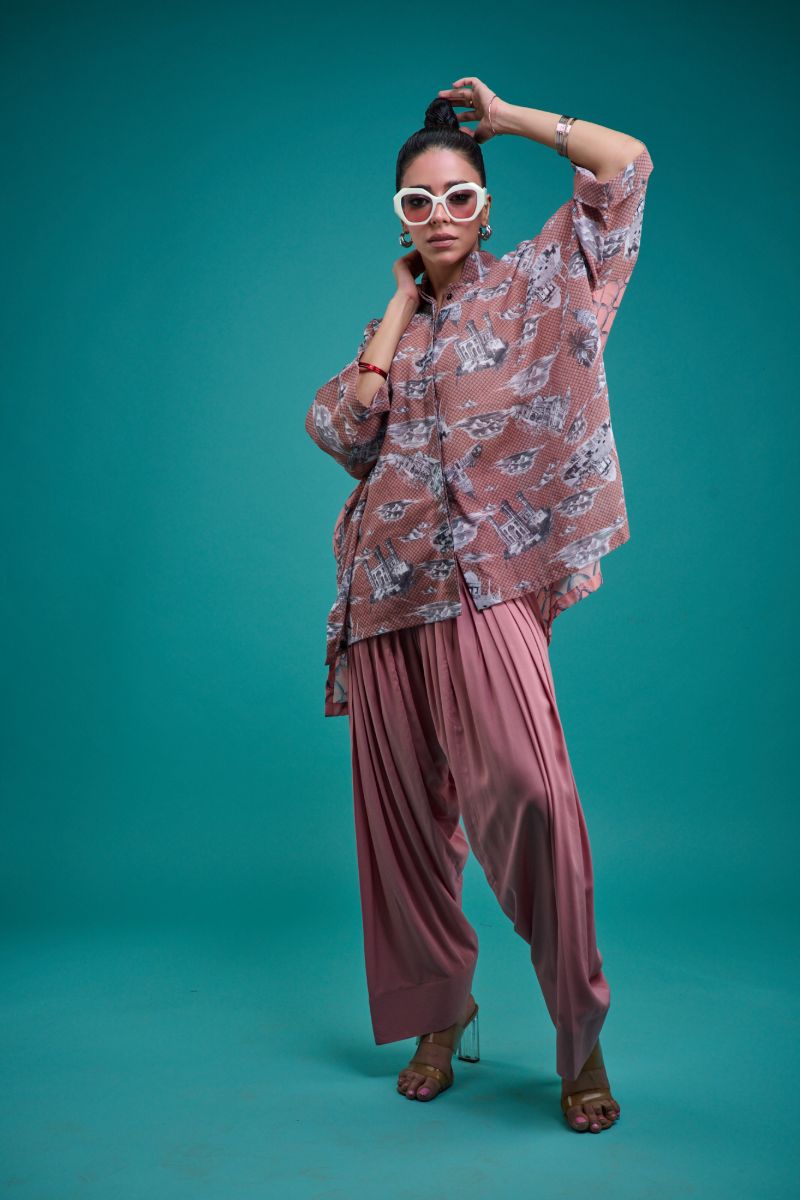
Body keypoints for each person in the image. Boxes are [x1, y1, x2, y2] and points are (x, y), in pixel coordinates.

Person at [305, 75, 654, 1134]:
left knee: (534, 800)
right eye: (418, 202)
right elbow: (342, 430)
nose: (442, 215)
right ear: (400, 219)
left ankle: (579, 1039)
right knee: (405, 833)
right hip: (382, 598)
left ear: (487, 206)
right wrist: (400, 303)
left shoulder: (542, 285)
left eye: (459, 196)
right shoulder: (390, 331)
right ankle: (438, 1015)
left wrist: (505, 123)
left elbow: (623, 166)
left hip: (487, 589)